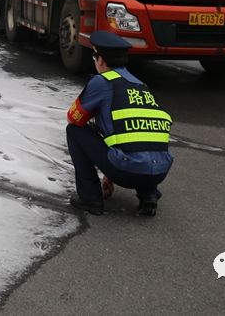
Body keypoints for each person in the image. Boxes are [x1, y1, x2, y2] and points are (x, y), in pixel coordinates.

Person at [66, 31, 173, 216]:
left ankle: (90, 198)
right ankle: (148, 196)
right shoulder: (141, 85)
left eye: (94, 56)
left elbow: (74, 117)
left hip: (126, 171)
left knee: (75, 131)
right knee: (142, 136)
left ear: (100, 60)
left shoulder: (102, 81)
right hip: (160, 171)